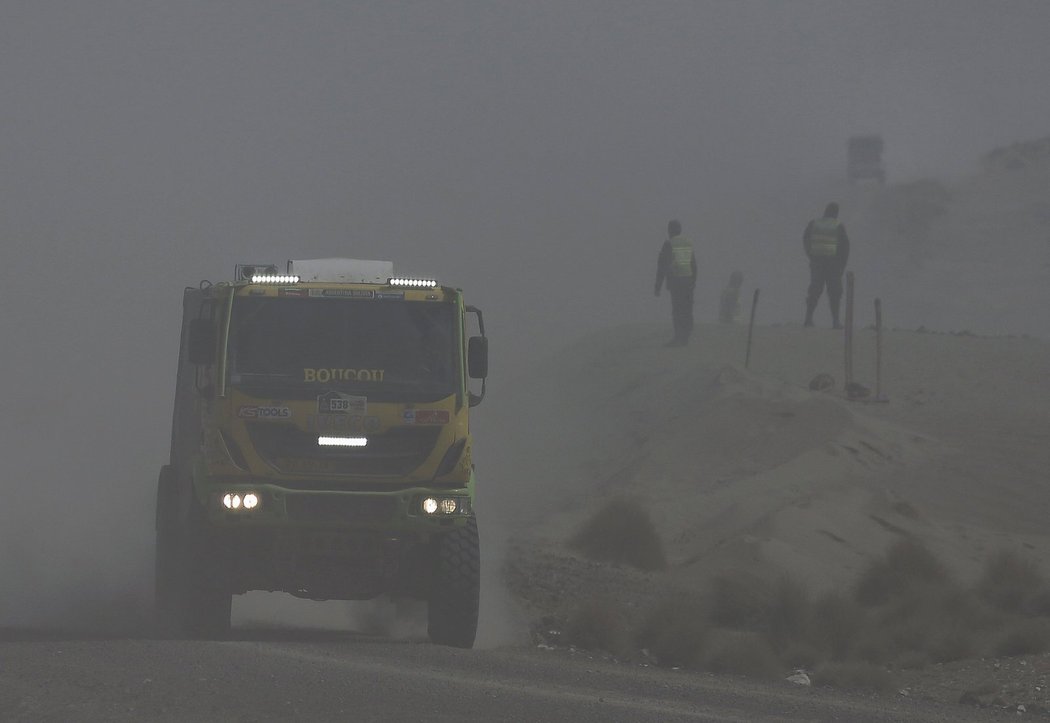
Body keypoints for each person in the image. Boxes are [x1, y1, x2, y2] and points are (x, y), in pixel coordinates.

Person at [802, 202, 850, 328]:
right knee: (835, 293)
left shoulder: (814, 223)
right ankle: (835, 321)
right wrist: (842, 265)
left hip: (817, 263)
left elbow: (806, 239)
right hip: (833, 264)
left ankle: (808, 318)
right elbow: (845, 248)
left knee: (814, 290)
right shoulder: (838, 225)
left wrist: (811, 255)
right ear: (836, 213)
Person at [654, 219, 697, 346]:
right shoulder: (688, 243)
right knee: (687, 309)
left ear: (670, 231)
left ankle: (679, 337)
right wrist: (694, 281)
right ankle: (686, 337)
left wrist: (657, 287)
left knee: (678, 310)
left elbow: (661, 267)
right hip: (688, 281)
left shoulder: (669, 244)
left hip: (676, 282)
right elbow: (694, 264)